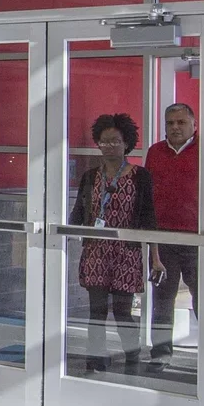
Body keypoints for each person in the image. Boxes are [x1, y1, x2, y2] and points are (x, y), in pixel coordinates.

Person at [70, 112, 156, 374]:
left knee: (122, 311)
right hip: (96, 251)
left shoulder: (140, 176)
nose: (109, 146)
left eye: (115, 141)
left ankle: (132, 358)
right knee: (96, 311)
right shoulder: (90, 176)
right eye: (104, 142)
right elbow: (79, 212)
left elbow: (149, 216)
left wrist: (155, 256)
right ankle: (95, 358)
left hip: (126, 253)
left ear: (126, 143)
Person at [144, 101, 198, 365]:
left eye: (181, 122)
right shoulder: (155, 152)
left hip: (200, 239)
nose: (175, 127)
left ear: (193, 125)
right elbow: (148, 197)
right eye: (170, 123)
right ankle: (161, 355)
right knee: (163, 300)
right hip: (164, 240)